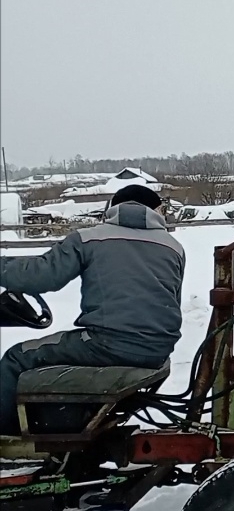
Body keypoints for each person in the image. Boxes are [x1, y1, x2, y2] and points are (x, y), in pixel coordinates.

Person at [0, 184, 185, 435]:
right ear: (156, 211)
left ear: (113, 208)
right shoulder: (173, 246)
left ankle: (10, 441)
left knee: (15, 358)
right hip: (157, 349)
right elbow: (170, 299)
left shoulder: (89, 238)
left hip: (106, 344)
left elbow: (41, 276)